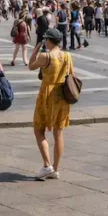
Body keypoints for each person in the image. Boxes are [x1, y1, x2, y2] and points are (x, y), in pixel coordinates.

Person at [29, 28, 72, 180]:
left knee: (39, 129)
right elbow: (72, 75)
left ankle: (47, 165)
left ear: (48, 40)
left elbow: (31, 65)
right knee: (58, 132)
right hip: (62, 96)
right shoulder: (67, 55)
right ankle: (56, 168)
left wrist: (36, 48)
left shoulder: (45, 56)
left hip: (47, 94)